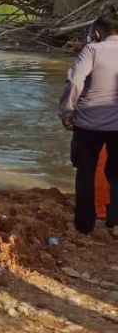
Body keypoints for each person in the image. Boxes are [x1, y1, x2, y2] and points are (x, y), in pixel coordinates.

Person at [59, 12, 118, 233]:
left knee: (86, 172)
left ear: (96, 33)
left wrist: (66, 111)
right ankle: (115, 220)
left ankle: (84, 225)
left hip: (88, 124)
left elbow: (75, 82)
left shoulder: (92, 49)